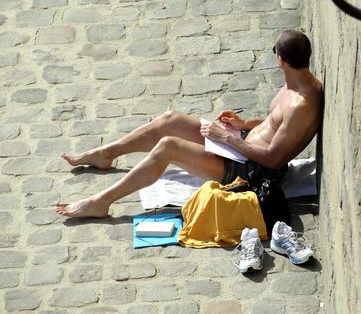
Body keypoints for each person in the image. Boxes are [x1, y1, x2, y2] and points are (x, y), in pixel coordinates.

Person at [55, 30, 323, 218]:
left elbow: (274, 159)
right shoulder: (296, 83)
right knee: (170, 120)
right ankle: (106, 154)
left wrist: (226, 137)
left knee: (168, 147)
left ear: (281, 60)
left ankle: (101, 203)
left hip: (249, 172)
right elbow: (277, 124)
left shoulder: (301, 103)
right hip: (242, 148)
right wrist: (244, 124)